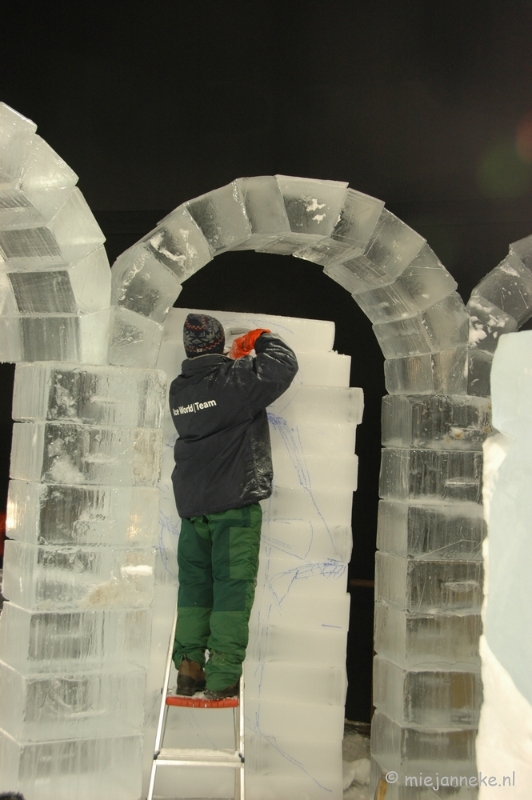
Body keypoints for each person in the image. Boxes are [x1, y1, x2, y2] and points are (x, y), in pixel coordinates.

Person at [169, 313, 298, 699]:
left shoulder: (181, 388)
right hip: (232, 504)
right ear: (218, 344)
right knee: (231, 588)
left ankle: (189, 669)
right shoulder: (232, 382)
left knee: (195, 588)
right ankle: (223, 676)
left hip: (193, 508)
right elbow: (282, 366)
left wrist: (230, 359)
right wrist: (259, 340)